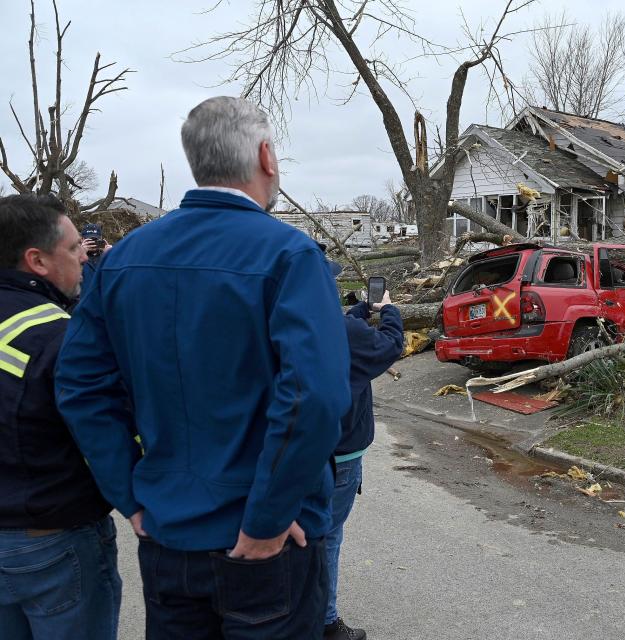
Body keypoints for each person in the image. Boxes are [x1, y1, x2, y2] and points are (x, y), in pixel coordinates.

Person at [55, 96, 351, 639]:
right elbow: (315, 395)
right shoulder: (289, 255)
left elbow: (80, 386)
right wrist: (265, 521)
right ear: (266, 157)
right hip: (267, 543)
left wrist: (131, 496)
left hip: (169, 535)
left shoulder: (122, 261)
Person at [0, 194, 120, 640]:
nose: (83, 261)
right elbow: (105, 432)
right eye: (73, 250)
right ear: (38, 260)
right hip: (52, 541)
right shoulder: (60, 337)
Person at [324, 286, 404, 640]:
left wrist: (358, 311)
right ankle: (325, 622)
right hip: (340, 455)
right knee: (327, 537)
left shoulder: (288, 322)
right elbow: (390, 344)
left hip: (294, 449)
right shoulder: (344, 332)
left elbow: (344, 329)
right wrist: (389, 310)